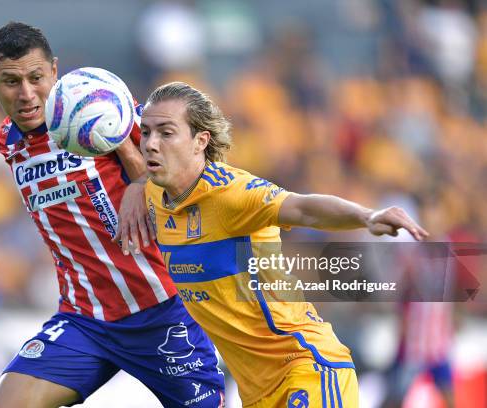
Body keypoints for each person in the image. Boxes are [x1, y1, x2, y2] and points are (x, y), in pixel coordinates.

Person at [139, 81, 429, 407]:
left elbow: (304, 207)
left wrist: (366, 216)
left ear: (200, 141)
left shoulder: (232, 193)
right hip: (256, 393)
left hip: (305, 367)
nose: (150, 143)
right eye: (145, 133)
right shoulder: (151, 194)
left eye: (166, 133)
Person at [0, 23, 225, 408]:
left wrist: (134, 171)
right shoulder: (8, 141)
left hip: (161, 312)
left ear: (54, 72)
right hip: (85, 318)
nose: (26, 95)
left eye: (36, 78)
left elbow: (185, 178)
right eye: (11, 81)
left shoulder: (101, 108)